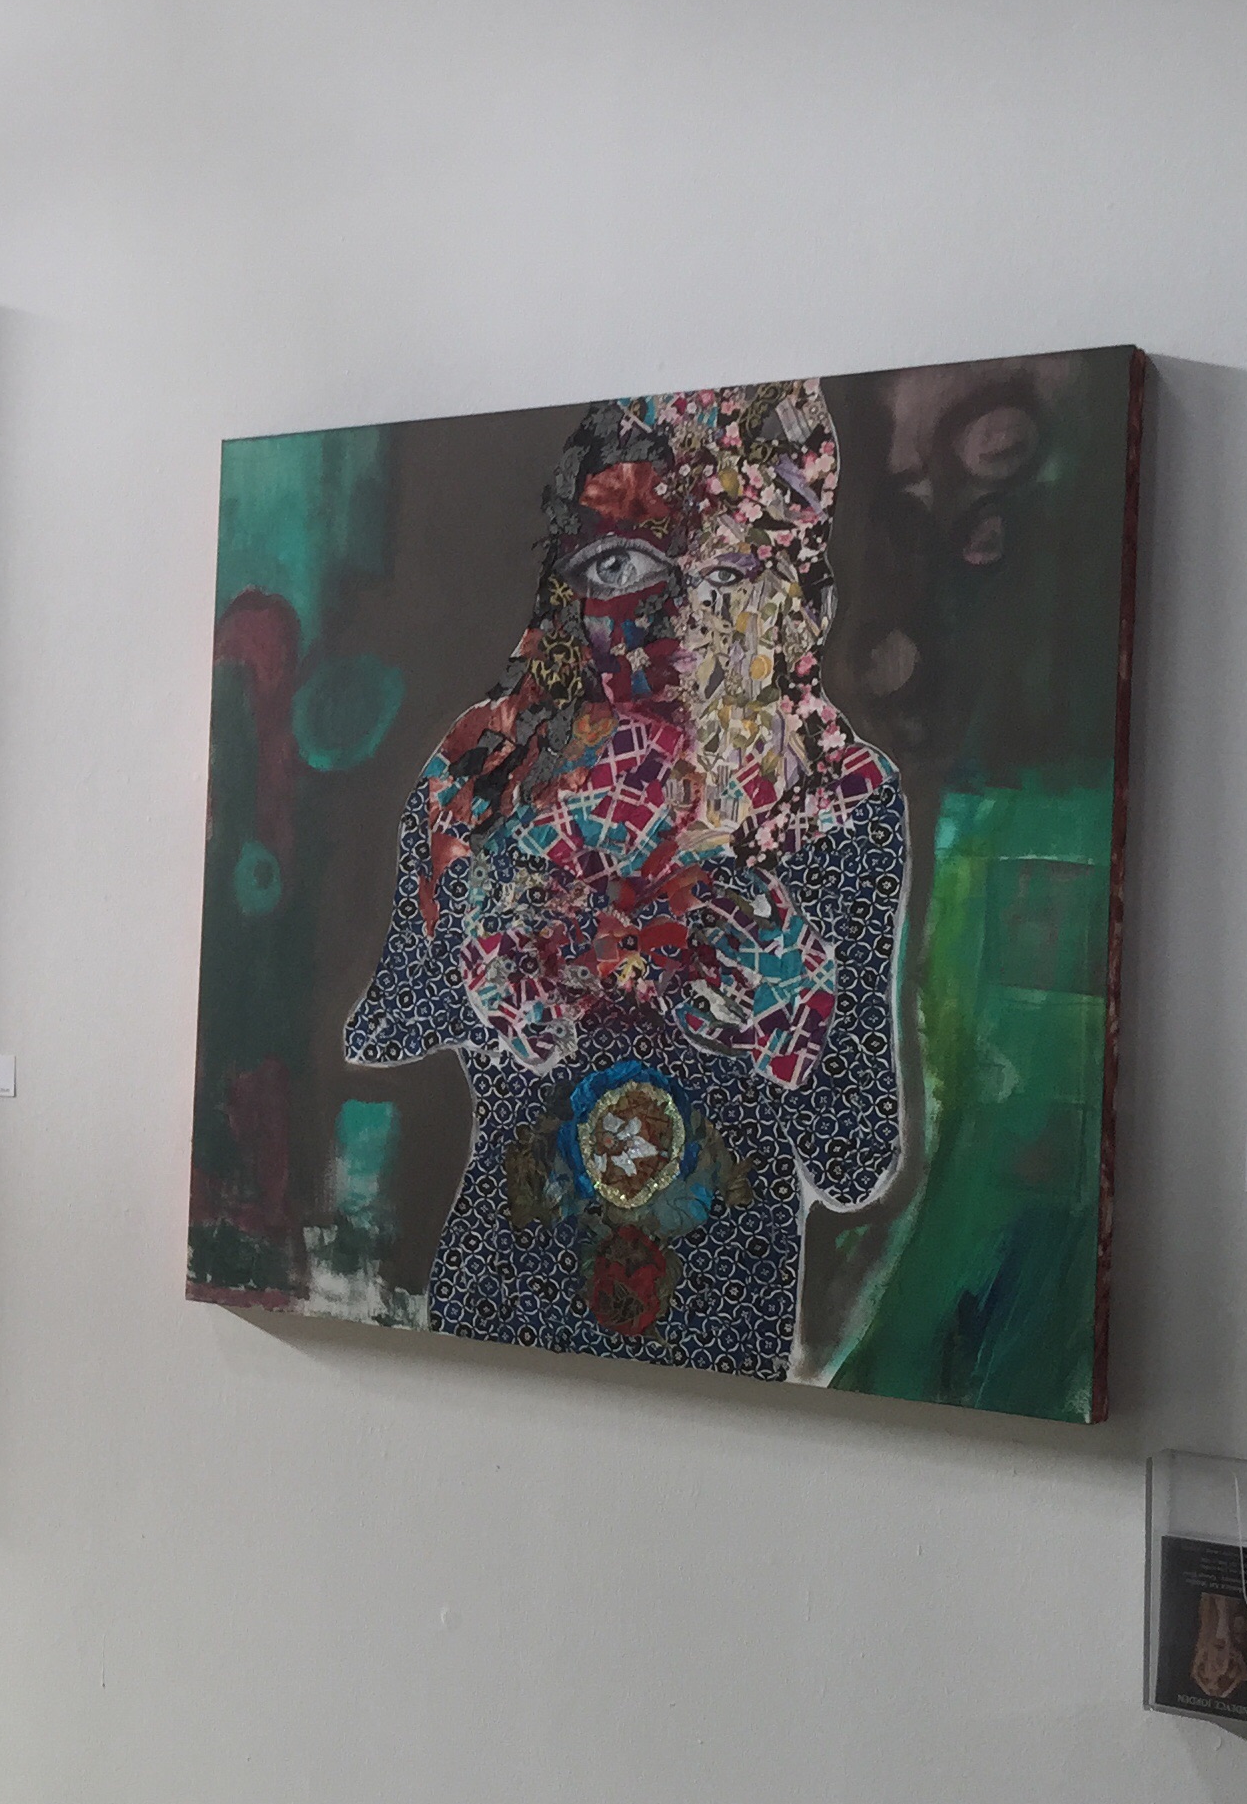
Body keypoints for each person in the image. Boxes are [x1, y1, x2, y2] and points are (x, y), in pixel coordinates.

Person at [345, 383, 906, 1377]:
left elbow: (857, 1160)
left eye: (726, 573)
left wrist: (791, 1007)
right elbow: (389, 1024)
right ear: (564, 592)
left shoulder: (838, 804)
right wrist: (498, 959)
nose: (674, 617)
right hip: (495, 1308)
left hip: (721, 1344)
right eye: (621, 566)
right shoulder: (490, 776)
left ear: (799, 600)